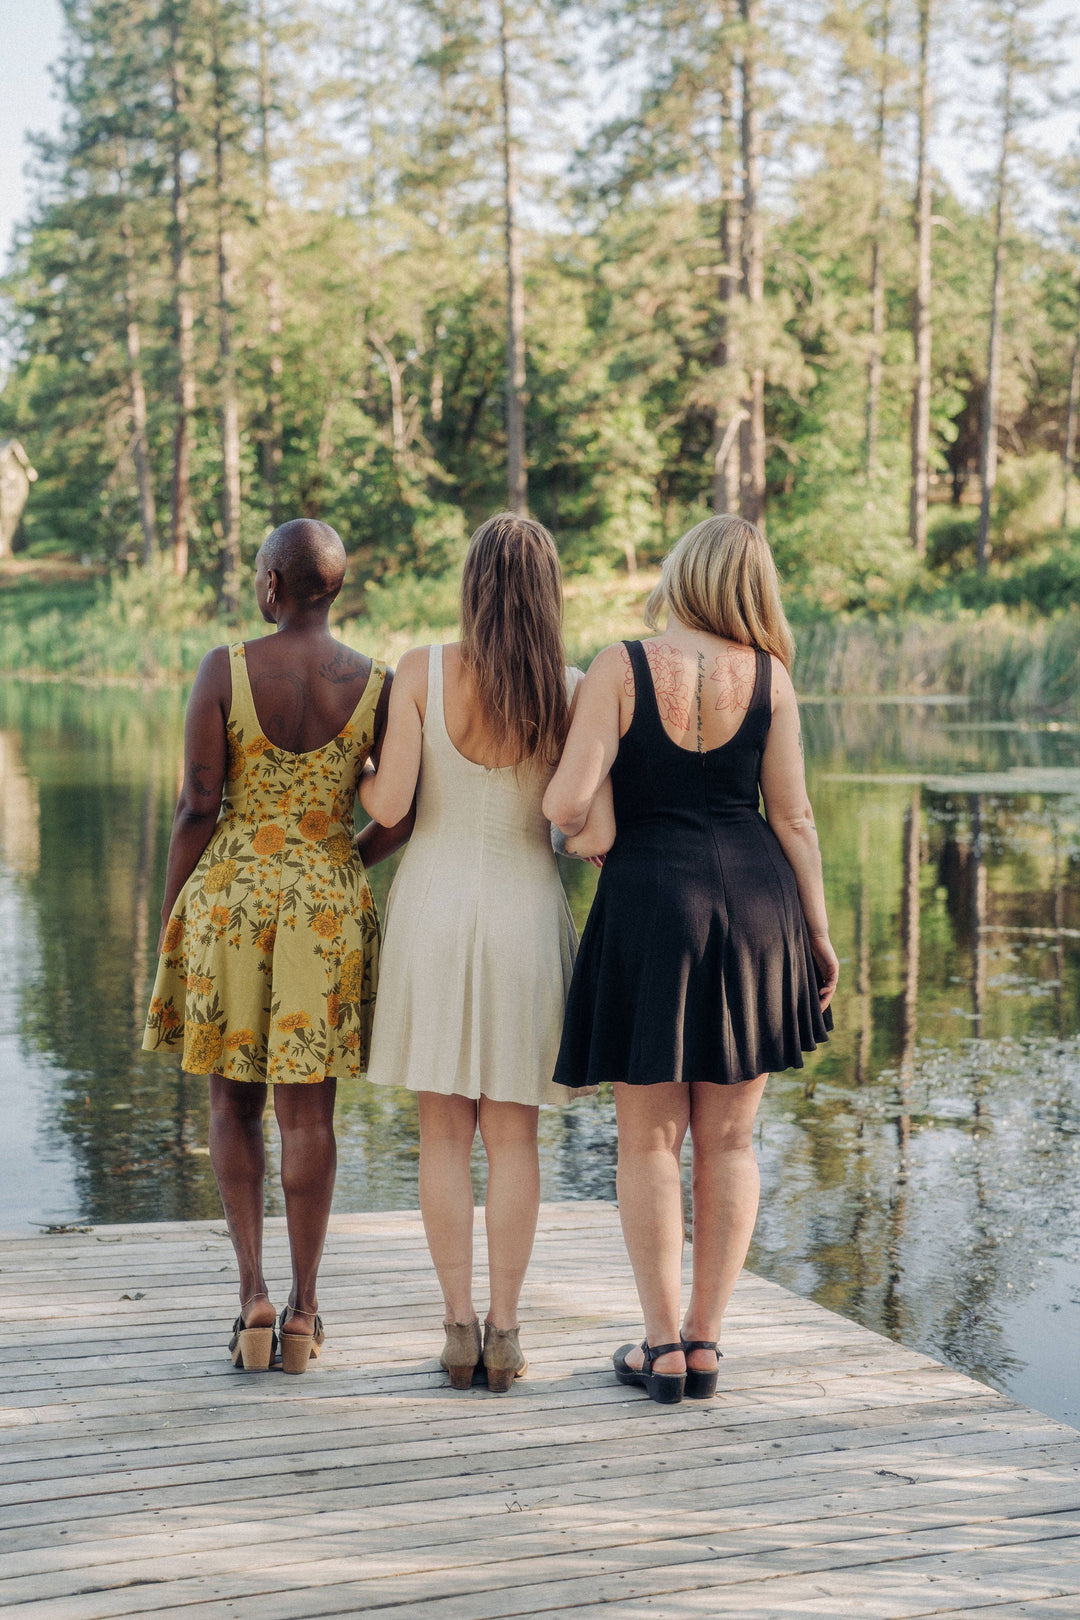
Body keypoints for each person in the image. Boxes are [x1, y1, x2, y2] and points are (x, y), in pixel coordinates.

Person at [543, 514, 838, 1405]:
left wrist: (597, 837)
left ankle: (662, 1348)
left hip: (649, 906)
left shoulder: (620, 666)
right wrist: (817, 934)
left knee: (649, 1140)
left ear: (681, 574)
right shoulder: (772, 679)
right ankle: (709, 1344)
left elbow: (563, 800)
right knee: (732, 1138)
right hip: (757, 905)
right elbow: (793, 818)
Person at [143, 520, 409, 1374]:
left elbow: (196, 806)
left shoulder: (226, 667)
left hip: (233, 897)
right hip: (325, 909)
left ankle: (251, 1295)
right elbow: (399, 812)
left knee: (232, 1103)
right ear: (335, 588)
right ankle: (305, 1310)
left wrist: (175, 907)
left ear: (270, 586)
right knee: (311, 1114)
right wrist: (341, 858)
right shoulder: (379, 685)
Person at [359, 513, 604, 1393]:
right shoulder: (573, 690)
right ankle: (506, 1331)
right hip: (525, 917)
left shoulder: (419, 670)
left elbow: (388, 807)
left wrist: (356, 773)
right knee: (515, 1137)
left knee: (441, 1134)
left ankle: (456, 1326)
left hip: (431, 910)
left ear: (472, 585)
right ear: (547, 595)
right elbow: (585, 826)